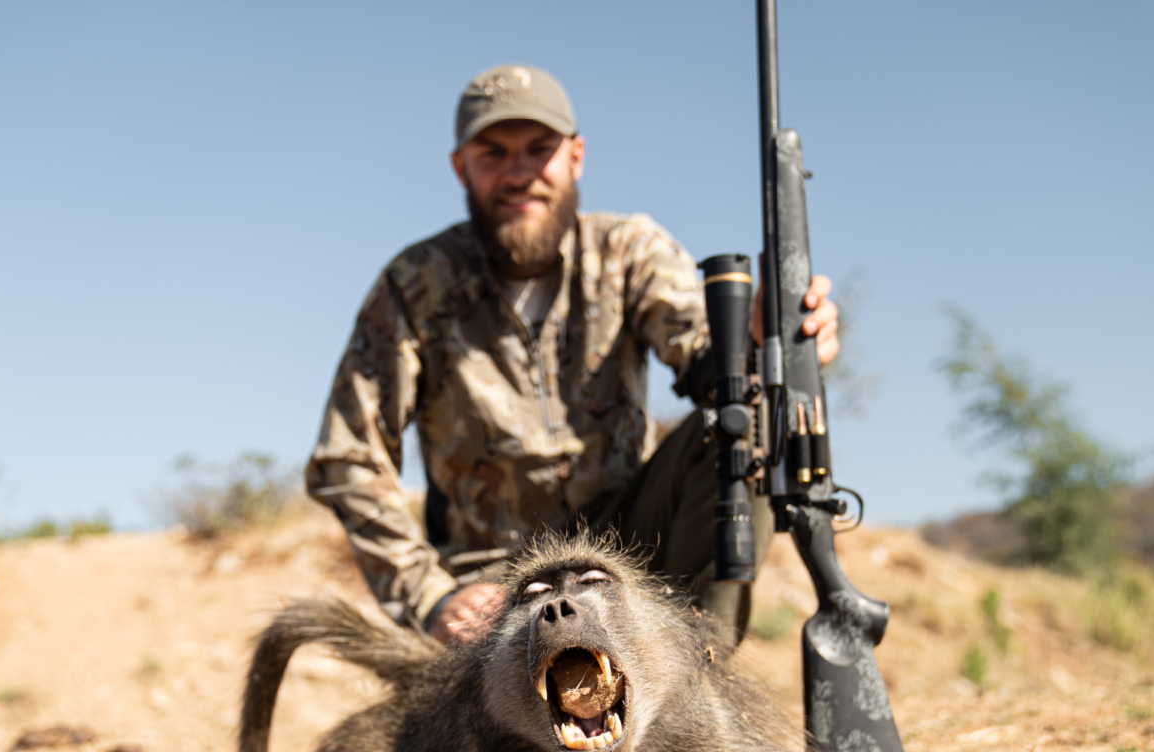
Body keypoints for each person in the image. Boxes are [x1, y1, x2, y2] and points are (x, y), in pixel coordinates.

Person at [307, 64, 840, 646]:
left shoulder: (628, 250)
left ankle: (697, 675)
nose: (519, 173)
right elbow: (348, 459)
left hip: (626, 557)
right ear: (461, 167)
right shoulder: (413, 284)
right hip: (494, 589)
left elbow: (715, 369)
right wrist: (431, 596)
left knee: (749, 414)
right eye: (493, 154)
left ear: (576, 156)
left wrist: (767, 347)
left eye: (539, 150)